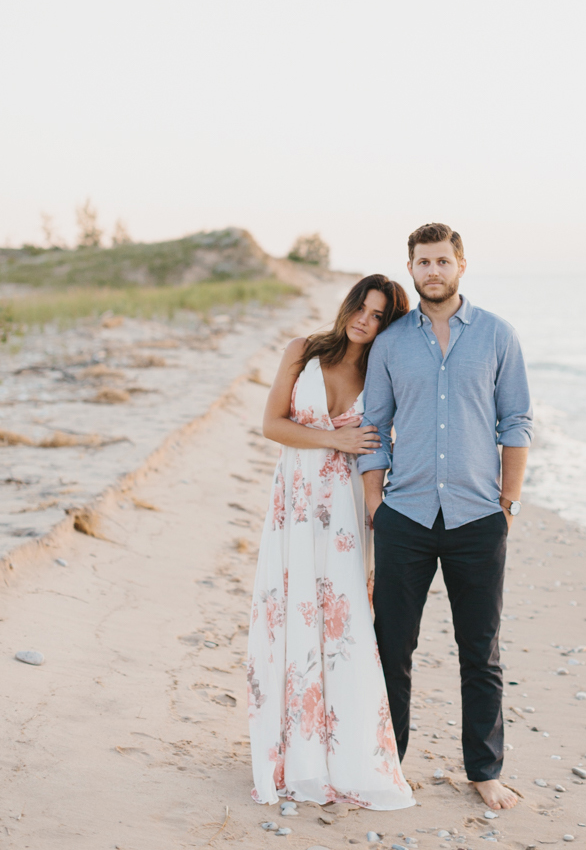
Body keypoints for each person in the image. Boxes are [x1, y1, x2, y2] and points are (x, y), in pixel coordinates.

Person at [357, 223, 531, 813]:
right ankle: (387, 764)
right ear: (411, 268)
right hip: (404, 514)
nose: (432, 271)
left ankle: (485, 771)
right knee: (390, 648)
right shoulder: (391, 343)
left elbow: (518, 423)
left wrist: (507, 504)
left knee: (480, 650)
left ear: (461, 264)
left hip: (478, 516)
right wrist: (376, 505)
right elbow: (374, 428)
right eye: (422, 262)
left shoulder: (497, 336)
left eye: (441, 261)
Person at [247, 274, 414, 810]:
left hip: (344, 510)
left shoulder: (381, 370)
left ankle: (340, 754)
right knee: (291, 615)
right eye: (361, 308)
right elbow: (272, 424)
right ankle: (292, 753)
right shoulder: (303, 351)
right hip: (293, 504)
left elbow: (388, 440)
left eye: (378, 315)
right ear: (347, 306)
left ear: (388, 324)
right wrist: (333, 438)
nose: (364, 321)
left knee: (342, 626)